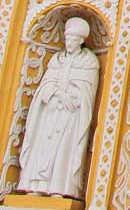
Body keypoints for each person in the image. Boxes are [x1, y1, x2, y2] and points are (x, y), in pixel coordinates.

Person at [18, 17, 100, 199]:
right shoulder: (57, 60)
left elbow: (88, 90)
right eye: (67, 38)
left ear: (81, 41)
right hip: (51, 111)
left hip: (70, 115)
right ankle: (34, 186)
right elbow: (45, 86)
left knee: (64, 150)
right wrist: (56, 93)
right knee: (42, 147)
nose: (69, 43)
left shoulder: (89, 62)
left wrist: (74, 97)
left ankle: (60, 189)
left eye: (72, 39)